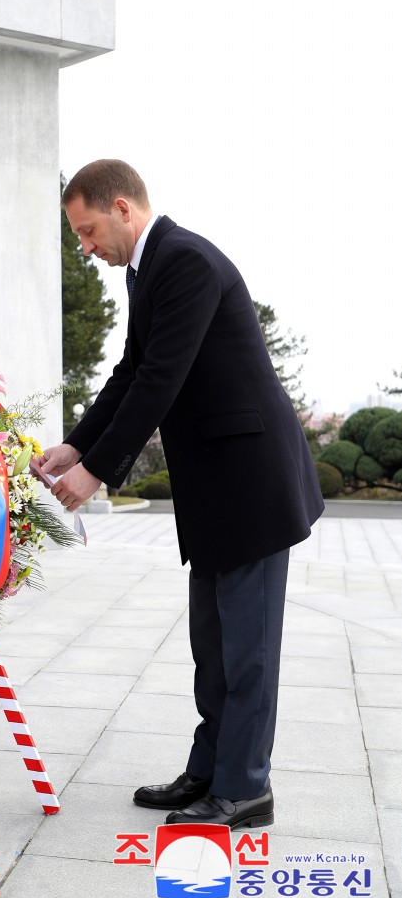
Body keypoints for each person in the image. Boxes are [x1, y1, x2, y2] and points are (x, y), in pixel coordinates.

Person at [36, 160, 323, 829]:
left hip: (250, 483)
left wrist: (99, 470)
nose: (85, 247)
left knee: (246, 650)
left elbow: (160, 378)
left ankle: (244, 789)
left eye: (87, 230)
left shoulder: (186, 261)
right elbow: (130, 371)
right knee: (213, 646)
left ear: (122, 209)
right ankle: (209, 772)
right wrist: (75, 445)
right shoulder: (152, 269)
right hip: (217, 487)